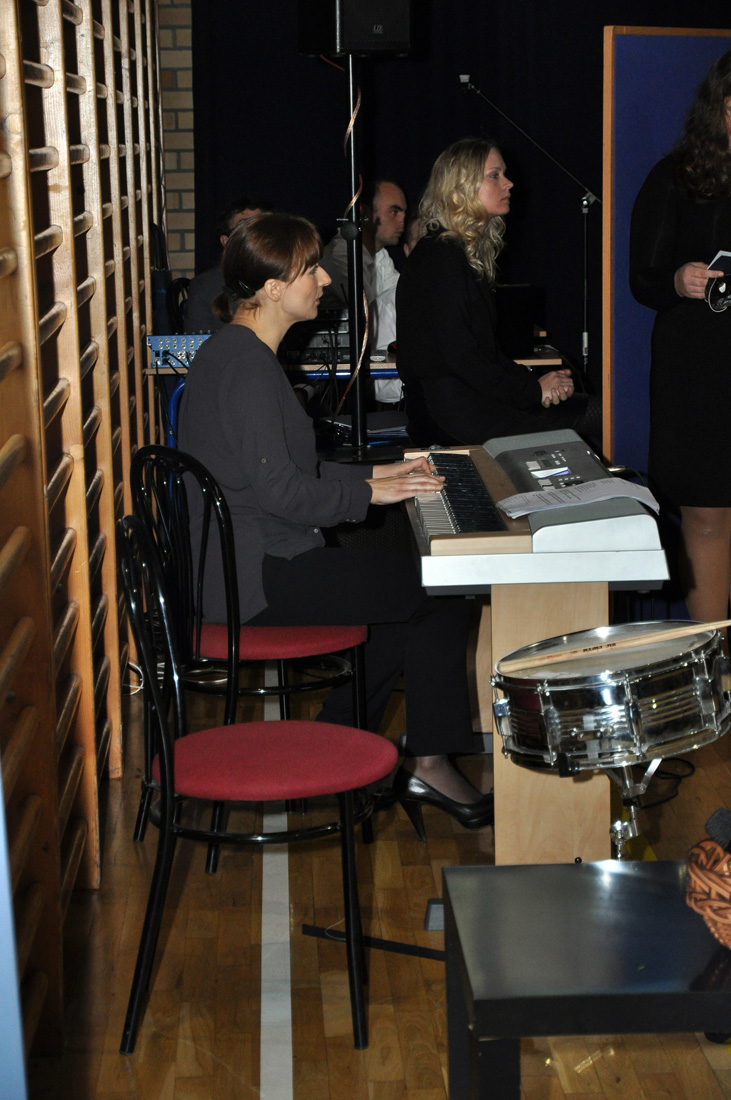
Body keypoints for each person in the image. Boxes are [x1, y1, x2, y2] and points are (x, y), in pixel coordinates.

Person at [177, 212, 493, 836]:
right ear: (272, 288)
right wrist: (371, 492)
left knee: (400, 603)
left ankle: (338, 748)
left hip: (253, 565)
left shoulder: (237, 353)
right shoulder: (246, 366)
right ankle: (425, 762)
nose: (324, 279)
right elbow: (283, 494)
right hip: (259, 579)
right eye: (311, 269)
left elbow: (292, 471)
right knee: (441, 589)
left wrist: (382, 475)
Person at [396, 137, 600, 447]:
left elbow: (485, 354)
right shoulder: (440, 256)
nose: (508, 183)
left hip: (469, 402)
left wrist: (533, 386)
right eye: (495, 175)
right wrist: (533, 390)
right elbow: (462, 358)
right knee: (595, 417)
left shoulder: (454, 253)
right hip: (449, 413)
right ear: (461, 186)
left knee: (596, 413)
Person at [630, 51, 731, 628]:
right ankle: (716, 658)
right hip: (698, 372)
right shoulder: (676, 177)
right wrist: (678, 279)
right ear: (721, 107)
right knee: (709, 516)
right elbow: (642, 279)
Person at [321, 179, 407, 403]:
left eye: (404, 213)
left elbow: (401, 301)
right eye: (394, 211)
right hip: (336, 383)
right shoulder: (342, 255)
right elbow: (365, 314)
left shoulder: (380, 257)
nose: (402, 220)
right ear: (364, 214)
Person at [185, 194, 269, 333]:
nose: (255, 234)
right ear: (226, 241)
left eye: (260, 226)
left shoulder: (283, 277)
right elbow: (198, 343)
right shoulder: (205, 287)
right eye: (245, 228)